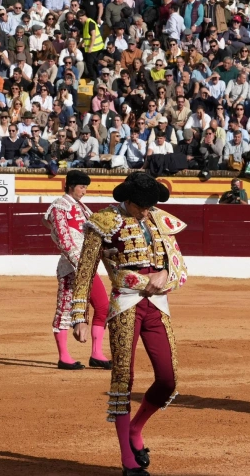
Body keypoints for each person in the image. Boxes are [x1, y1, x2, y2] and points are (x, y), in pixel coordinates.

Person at [69, 172, 188, 476]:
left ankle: (136, 429)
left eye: (151, 206)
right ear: (128, 201)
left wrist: (165, 276)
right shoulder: (104, 221)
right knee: (123, 380)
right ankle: (128, 461)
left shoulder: (159, 218)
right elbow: (85, 271)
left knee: (168, 379)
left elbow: (179, 265)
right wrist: (79, 316)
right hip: (125, 304)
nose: (148, 211)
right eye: (142, 207)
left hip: (157, 305)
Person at [42, 171, 110, 370]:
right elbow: (64, 240)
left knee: (103, 306)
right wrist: (81, 265)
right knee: (64, 310)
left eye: (86, 187)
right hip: (70, 268)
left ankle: (97, 353)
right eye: (81, 187)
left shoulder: (84, 208)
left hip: (87, 265)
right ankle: (64, 357)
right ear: (70, 186)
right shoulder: (58, 206)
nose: (84, 191)